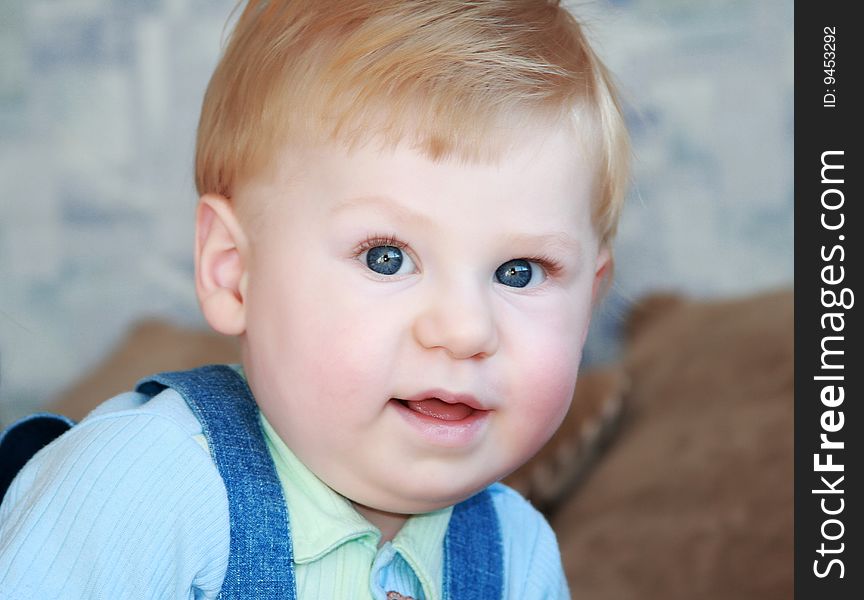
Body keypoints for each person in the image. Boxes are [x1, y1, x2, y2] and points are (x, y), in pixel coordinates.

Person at [0, 0, 629, 597]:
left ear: (588, 302)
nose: (465, 330)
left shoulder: (516, 556)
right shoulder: (142, 487)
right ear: (233, 270)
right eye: (387, 258)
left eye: (519, 272)